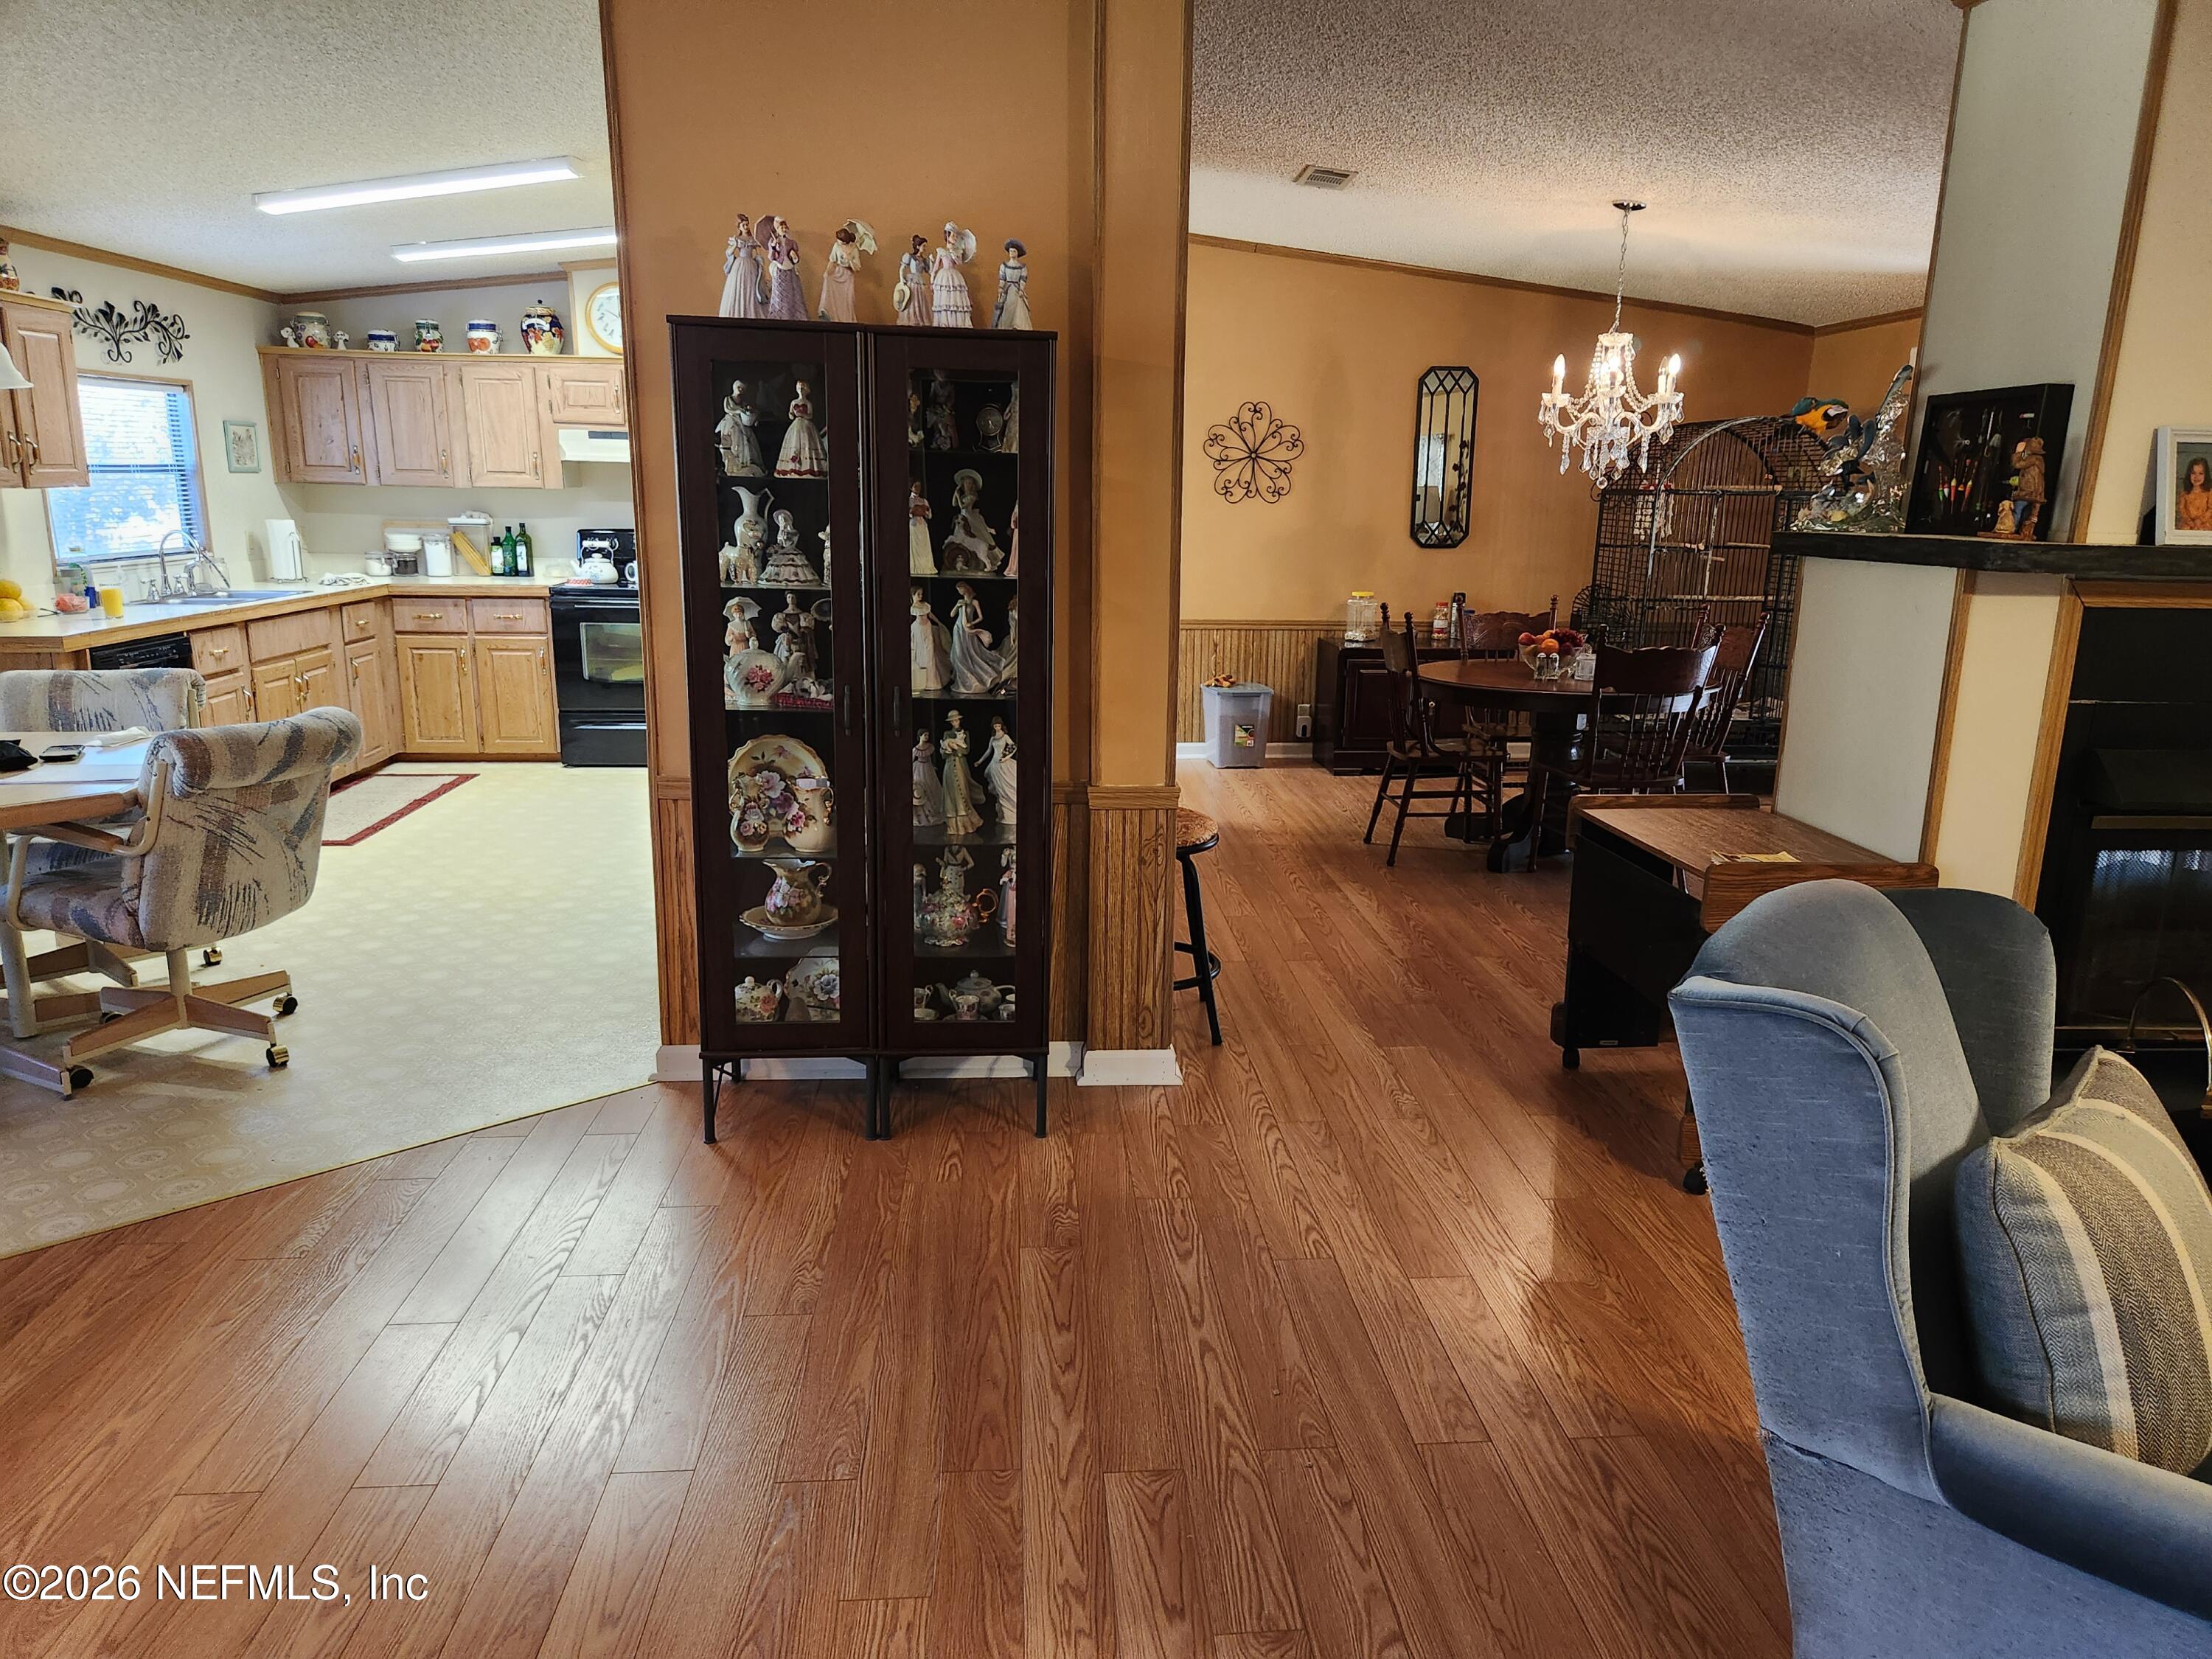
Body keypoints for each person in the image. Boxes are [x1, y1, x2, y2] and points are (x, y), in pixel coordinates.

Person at [718, 214, 766, 319]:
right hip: (739, 266)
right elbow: (729, 253)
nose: (746, 227)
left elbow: (758, 253)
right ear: (739, 227)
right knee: (739, 287)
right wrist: (735, 245)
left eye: (747, 225)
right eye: (744, 225)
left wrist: (760, 262)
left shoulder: (753, 240)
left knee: (751, 288)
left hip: (751, 265)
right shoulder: (737, 239)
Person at [931, 223, 974, 327]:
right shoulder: (941, 251)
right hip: (943, 276)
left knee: (955, 298)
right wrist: (932, 281)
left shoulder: (957, 251)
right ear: (947, 236)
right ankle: (944, 322)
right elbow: (936, 267)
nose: (955, 238)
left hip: (954, 276)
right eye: (953, 236)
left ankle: (956, 323)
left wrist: (953, 253)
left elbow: (959, 263)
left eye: (956, 236)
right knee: (945, 298)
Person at [818, 224, 860, 323]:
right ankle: (832, 315)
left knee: (848, 300)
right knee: (834, 294)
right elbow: (832, 260)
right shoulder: (837, 246)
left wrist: (850, 259)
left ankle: (847, 320)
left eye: (840, 241)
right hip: (838, 273)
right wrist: (827, 272)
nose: (838, 242)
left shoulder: (854, 250)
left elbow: (857, 269)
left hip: (848, 275)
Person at [992, 240, 1032, 329]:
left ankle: (1017, 325)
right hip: (1008, 290)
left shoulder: (1022, 267)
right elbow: (1002, 279)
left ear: (1017, 253)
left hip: (1017, 291)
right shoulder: (1004, 266)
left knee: (1019, 308)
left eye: (1014, 251)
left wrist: (1021, 289)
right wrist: (1001, 288)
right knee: (1006, 307)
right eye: (1010, 251)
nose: (1012, 253)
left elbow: (1023, 279)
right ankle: (1006, 325)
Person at [896, 235, 931, 327]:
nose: (925, 248)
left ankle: (920, 318)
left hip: (920, 281)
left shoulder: (924, 260)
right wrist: (901, 279)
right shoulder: (910, 257)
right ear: (918, 247)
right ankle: (912, 318)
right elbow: (902, 268)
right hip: (912, 280)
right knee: (912, 300)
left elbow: (930, 272)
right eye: (924, 246)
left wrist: (931, 261)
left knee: (921, 301)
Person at [2180, 455, 2212, 532]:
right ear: (2189, 475)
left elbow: (2211, 509)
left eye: (2201, 474)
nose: (2197, 477)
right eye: (2193, 473)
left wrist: (2200, 520)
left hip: (2205, 523)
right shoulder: (2185, 493)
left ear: (2206, 475)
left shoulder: (2209, 492)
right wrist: (2190, 522)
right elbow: (2182, 509)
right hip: (2189, 524)